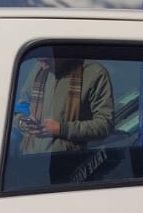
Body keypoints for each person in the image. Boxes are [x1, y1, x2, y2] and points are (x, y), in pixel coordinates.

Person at [13, 54, 115, 186]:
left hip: (70, 168)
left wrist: (62, 129)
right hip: (31, 163)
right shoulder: (37, 70)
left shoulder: (94, 73)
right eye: (40, 61)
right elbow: (20, 107)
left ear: (59, 52)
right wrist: (22, 122)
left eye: (46, 60)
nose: (43, 65)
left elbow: (105, 124)